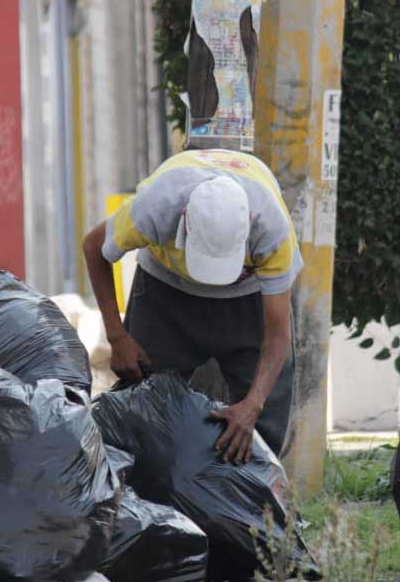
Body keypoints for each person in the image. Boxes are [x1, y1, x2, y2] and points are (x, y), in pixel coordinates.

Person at [83, 148, 301, 466]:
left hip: (246, 301)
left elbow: (278, 335)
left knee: (264, 423)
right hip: (165, 293)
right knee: (141, 408)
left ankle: (255, 508)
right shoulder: (158, 204)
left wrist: (253, 404)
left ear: (248, 229)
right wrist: (117, 337)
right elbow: (94, 246)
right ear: (184, 218)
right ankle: (143, 503)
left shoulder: (273, 230)